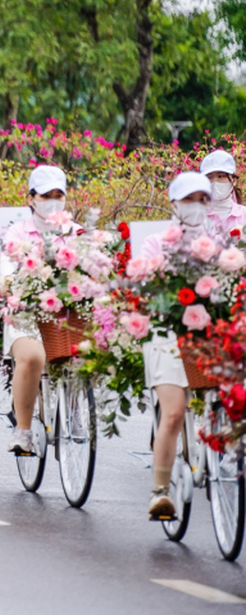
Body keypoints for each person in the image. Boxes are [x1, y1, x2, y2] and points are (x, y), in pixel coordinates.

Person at [138, 171, 217, 520]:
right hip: (165, 334)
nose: (197, 207)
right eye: (189, 200)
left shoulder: (221, 246)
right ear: (173, 204)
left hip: (209, 334)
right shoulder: (156, 243)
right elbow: (146, 289)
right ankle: (160, 491)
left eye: (203, 199)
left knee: (228, 401)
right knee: (172, 412)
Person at [0, 165, 71, 456]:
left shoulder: (73, 232)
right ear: (31, 199)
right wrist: (8, 282)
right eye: (45, 195)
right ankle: (24, 431)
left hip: (64, 316)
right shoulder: (17, 231)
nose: (52, 201)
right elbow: (5, 273)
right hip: (25, 315)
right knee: (32, 357)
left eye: (58, 195)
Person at [201, 149, 246, 240]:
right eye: (209, 177)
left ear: (233, 181)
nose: (215, 182)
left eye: (220, 176)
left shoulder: (244, 215)